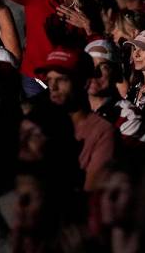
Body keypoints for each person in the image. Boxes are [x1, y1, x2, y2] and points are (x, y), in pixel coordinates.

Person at [35, 47, 115, 191]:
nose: (53, 87)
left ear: (84, 83)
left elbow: (92, 189)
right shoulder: (38, 123)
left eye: (62, 80)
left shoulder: (101, 131)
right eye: (49, 80)